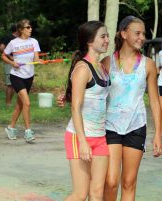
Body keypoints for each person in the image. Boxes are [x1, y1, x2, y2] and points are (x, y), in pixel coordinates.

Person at [57, 16, 162, 201]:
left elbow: (154, 101)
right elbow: (87, 90)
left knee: (126, 182)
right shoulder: (106, 63)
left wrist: (159, 135)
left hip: (135, 126)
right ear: (124, 34)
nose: (142, 37)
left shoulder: (147, 65)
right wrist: (68, 97)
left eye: (143, 33)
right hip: (108, 128)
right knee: (110, 182)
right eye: (137, 33)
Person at [64, 21, 110, 201]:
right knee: (80, 194)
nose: (107, 40)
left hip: (100, 137)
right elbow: (75, 107)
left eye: (107, 36)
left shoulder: (102, 67)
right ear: (90, 42)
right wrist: (82, 142)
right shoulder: (83, 68)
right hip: (79, 137)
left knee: (97, 193)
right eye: (103, 36)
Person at [1, 19, 43, 142]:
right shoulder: (13, 43)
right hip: (16, 76)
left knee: (20, 105)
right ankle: (28, 132)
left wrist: (39, 61)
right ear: (21, 30)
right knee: (27, 103)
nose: (31, 29)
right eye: (28, 27)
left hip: (29, 76)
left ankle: (10, 128)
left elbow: (36, 58)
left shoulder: (34, 41)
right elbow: (3, 55)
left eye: (31, 27)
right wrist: (12, 62)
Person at [0, 24, 18, 106]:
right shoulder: (9, 37)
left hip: (17, 64)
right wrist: (10, 56)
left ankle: (9, 103)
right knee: (10, 84)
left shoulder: (19, 39)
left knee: (14, 84)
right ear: (17, 29)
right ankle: (8, 104)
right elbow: (1, 48)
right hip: (9, 63)